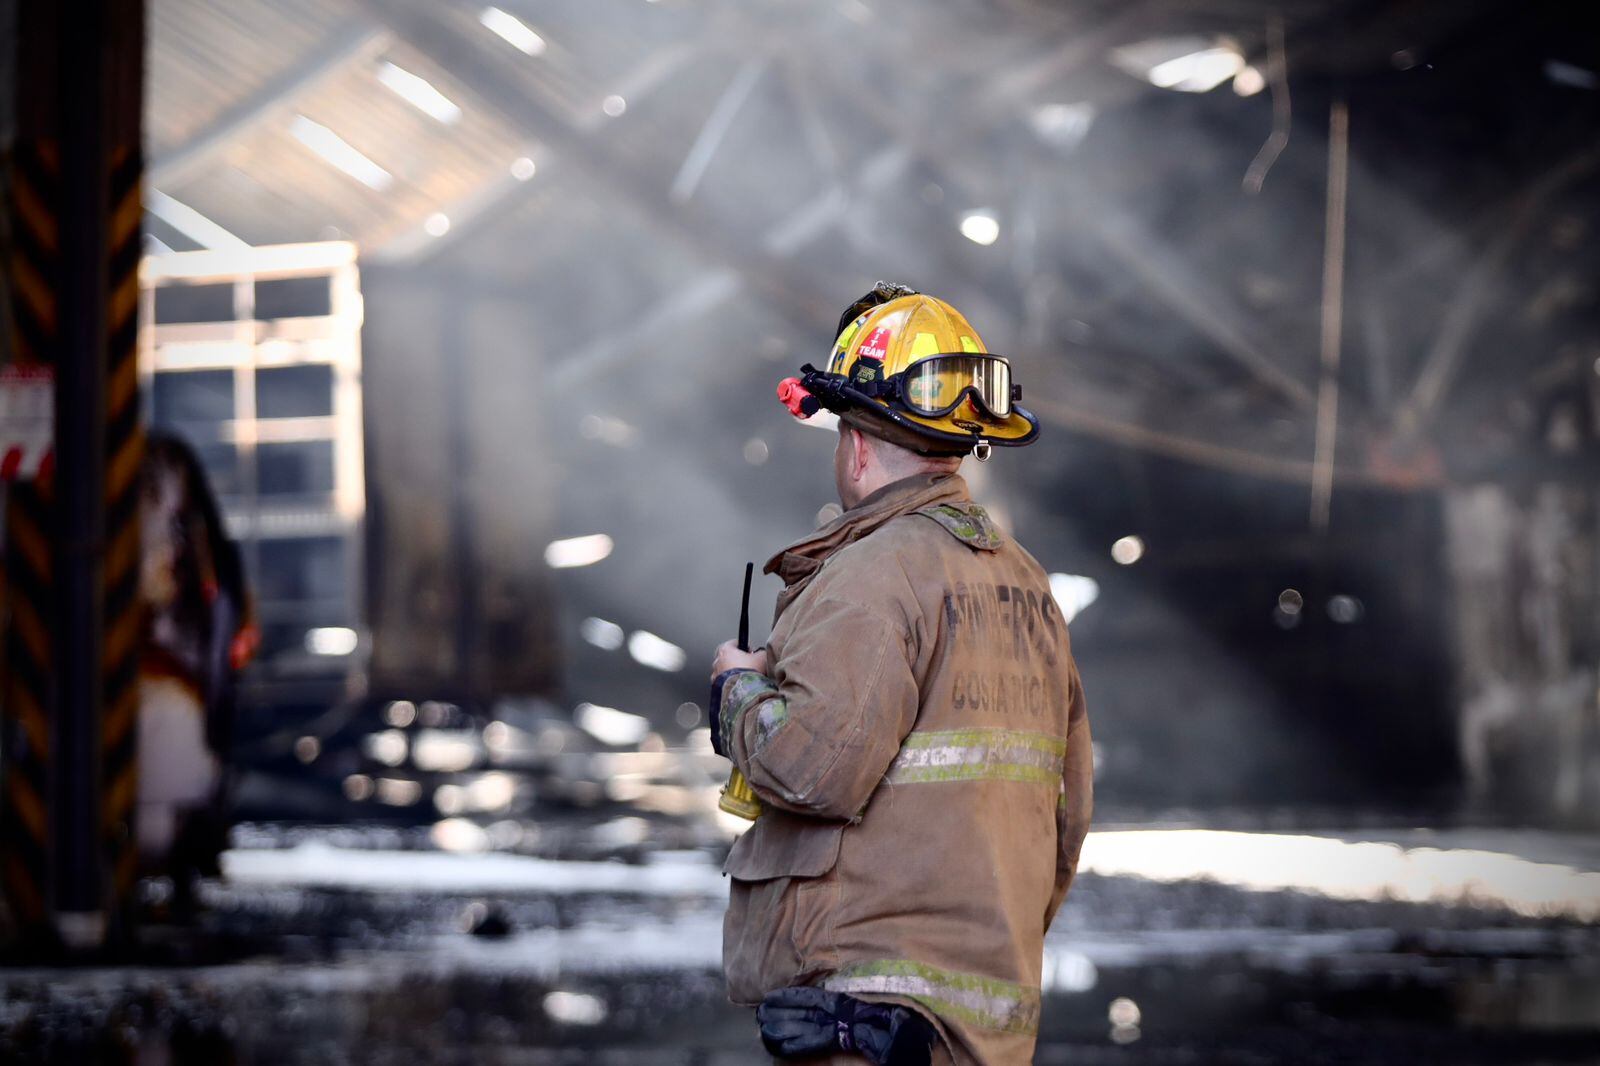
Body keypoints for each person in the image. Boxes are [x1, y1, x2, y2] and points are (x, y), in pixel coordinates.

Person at [709, 283, 1094, 1064]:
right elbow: (1067, 817)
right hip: (985, 1034)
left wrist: (737, 690)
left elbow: (812, 769)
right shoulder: (1029, 588)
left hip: (868, 1027)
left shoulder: (871, 576)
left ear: (854, 444)